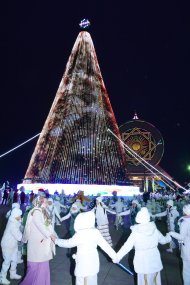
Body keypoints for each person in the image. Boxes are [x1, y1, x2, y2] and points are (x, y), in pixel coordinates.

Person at [54, 211, 116, 285]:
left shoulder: (80, 234)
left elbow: (68, 243)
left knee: (81, 282)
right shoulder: (95, 232)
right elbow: (106, 246)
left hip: (83, 266)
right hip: (93, 265)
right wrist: (115, 256)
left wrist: (56, 240)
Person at [114, 207, 171, 285]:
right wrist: (169, 236)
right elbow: (164, 241)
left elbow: (126, 247)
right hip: (155, 261)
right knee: (155, 282)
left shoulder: (136, 232)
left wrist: (117, 257)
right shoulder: (154, 230)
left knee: (144, 282)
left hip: (143, 263)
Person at [20, 196, 56, 285]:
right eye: (45, 202)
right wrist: (50, 235)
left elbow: (48, 226)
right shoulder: (36, 211)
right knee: (35, 267)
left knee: (42, 266)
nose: (47, 203)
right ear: (40, 202)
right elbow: (40, 225)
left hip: (42, 244)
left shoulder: (42, 211)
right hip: (37, 244)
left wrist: (53, 235)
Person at [168, 204, 190, 285]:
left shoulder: (185, 222)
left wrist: (171, 233)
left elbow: (181, 237)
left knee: (187, 271)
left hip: (188, 251)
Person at [0, 208, 23, 285]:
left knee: (14, 259)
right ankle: (2, 277)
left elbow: (20, 222)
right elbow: (19, 237)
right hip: (7, 245)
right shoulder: (12, 224)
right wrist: (27, 237)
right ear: (16, 215)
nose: (20, 216)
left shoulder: (14, 220)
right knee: (7, 261)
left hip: (13, 244)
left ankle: (13, 274)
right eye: (19, 215)